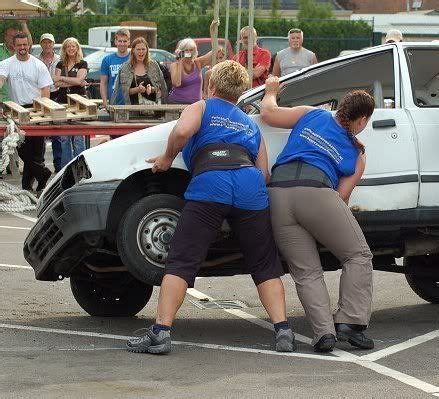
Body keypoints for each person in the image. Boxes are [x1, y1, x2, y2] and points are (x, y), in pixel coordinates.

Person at [126, 61, 295, 355]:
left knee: (181, 260)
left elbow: (181, 132)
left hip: (211, 183)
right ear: (240, 93)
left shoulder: (201, 107)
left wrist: (167, 158)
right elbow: (264, 173)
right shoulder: (249, 123)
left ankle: (161, 332)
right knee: (265, 264)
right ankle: (283, 332)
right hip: (250, 187)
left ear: (212, 86)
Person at [261, 76, 375, 353]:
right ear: (360, 121)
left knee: (306, 272)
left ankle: (324, 334)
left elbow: (268, 113)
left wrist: (271, 91)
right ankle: (349, 322)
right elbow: (341, 197)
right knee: (358, 255)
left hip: (277, 194)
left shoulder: (313, 114)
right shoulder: (357, 155)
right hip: (317, 193)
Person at [0, 32, 52, 192]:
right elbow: (0, 81)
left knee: (37, 152)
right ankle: (43, 173)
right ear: (13, 46)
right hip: (16, 110)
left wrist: (42, 112)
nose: (22, 48)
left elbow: (45, 90)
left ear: (29, 45)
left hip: (35, 108)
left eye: (25, 45)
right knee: (22, 148)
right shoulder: (7, 63)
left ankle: (29, 185)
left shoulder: (38, 65)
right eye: (19, 45)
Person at [54, 37, 87, 168]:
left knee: (79, 138)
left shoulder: (82, 63)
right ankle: (66, 168)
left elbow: (79, 81)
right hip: (62, 102)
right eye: (68, 46)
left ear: (77, 48)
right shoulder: (60, 64)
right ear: (64, 49)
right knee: (64, 138)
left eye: (73, 46)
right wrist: (72, 81)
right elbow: (56, 84)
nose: (71, 49)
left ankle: (81, 168)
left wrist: (62, 78)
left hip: (79, 102)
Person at [168, 20, 219, 104]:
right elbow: (176, 83)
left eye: (191, 50)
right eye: (186, 50)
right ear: (181, 51)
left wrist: (212, 31)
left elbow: (215, 51)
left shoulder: (197, 62)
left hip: (195, 104)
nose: (188, 52)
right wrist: (180, 60)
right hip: (177, 103)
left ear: (195, 51)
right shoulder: (175, 65)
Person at [111, 37, 168, 106]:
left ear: (147, 50)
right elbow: (125, 91)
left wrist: (151, 89)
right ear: (133, 51)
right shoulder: (126, 67)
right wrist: (137, 89)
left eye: (143, 49)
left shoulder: (154, 65)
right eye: (138, 49)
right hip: (132, 109)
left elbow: (162, 88)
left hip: (153, 109)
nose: (141, 51)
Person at [38, 33, 62, 173]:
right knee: (41, 132)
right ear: (41, 44)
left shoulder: (60, 59)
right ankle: (39, 164)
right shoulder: (36, 60)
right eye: (44, 42)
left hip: (57, 95)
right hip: (41, 96)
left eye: (49, 43)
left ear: (53, 44)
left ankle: (58, 164)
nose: (47, 45)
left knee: (57, 132)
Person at [100, 28, 130, 109]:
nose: (122, 44)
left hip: (132, 102)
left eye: (125, 41)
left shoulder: (134, 58)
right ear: (116, 42)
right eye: (120, 41)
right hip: (114, 102)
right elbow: (103, 83)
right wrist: (105, 102)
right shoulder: (107, 60)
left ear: (129, 42)